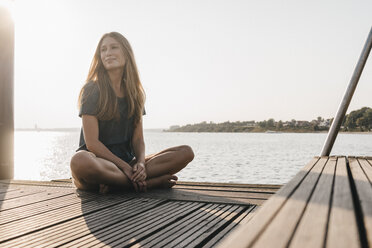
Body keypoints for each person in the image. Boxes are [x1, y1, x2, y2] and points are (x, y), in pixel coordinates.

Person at [70, 32, 194, 193]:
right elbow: (92, 144)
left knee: (185, 152)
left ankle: (118, 183)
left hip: (127, 164)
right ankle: (147, 184)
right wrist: (124, 168)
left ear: (126, 54)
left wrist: (140, 164)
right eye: (103, 50)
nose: (108, 53)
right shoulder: (91, 90)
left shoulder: (135, 93)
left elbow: (138, 139)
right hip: (98, 164)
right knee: (79, 160)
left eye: (114, 47)